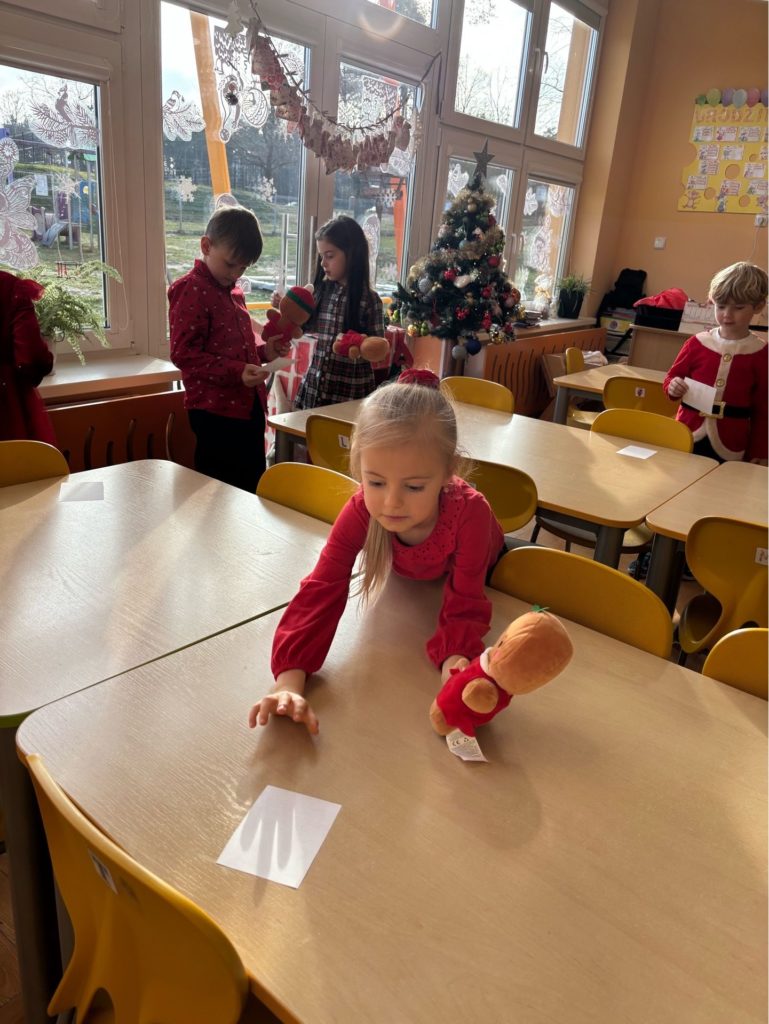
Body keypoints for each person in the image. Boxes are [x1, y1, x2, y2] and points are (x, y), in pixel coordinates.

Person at [248, 369, 506, 735]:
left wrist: (456, 664)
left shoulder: (471, 514)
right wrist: (288, 682)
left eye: (414, 487)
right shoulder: (361, 508)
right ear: (359, 468)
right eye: (376, 482)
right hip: (413, 586)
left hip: (489, 571)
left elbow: (465, 601)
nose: (391, 502)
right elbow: (322, 587)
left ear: (449, 471)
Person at [169, 206, 290, 492]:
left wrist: (265, 352)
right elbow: (184, 354)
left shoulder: (233, 290)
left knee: (250, 489)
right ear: (206, 246)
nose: (235, 274)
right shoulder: (191, 289)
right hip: (215, 412)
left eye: (243, 268)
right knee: (219, 492)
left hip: (247, 408)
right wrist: (237, 371)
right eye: (230, 264)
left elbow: (236, 348)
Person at [664, 261, 767, 464]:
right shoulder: (696, 343)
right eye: (720, 306)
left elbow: (764, 409)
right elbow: (672, 377)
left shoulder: (761, 353)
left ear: (758, 306)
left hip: (732, 441)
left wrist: (760, 451)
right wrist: (673, 386)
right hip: (688, 432)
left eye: (738, 307)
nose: (727, 314)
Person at [291, 215, 385, 409]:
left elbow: (378, 349)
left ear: (352, 254)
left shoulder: (369, 299)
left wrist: (361, 344)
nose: (323, 263)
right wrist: (289, 309)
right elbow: (304, 327)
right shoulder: (322, 291)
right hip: (316, 385)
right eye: (321, 256)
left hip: (350, 392)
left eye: (330, 256)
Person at [0, 269, 57, 445]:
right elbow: (31, 356)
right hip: (7, 405)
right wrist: (45, 362)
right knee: (19, 459)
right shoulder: (10, 288)